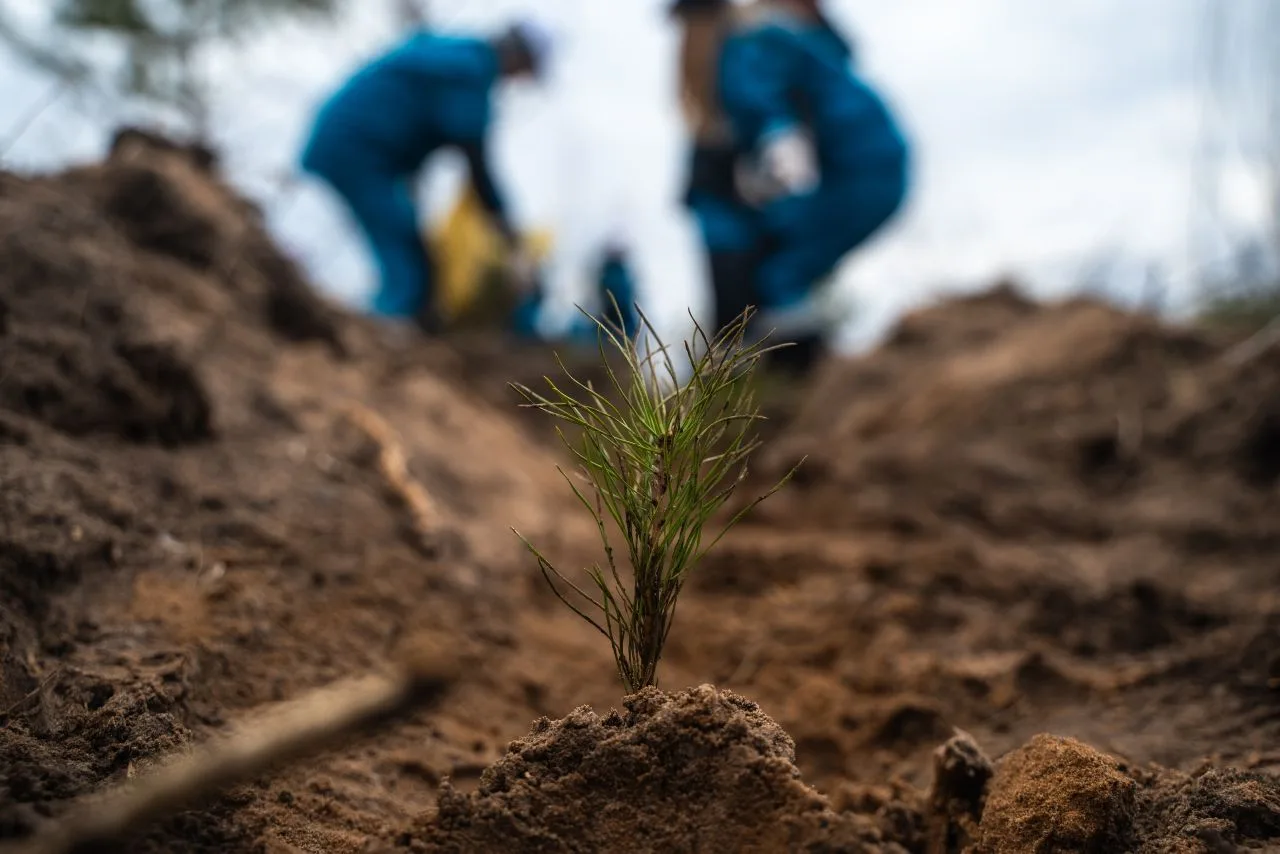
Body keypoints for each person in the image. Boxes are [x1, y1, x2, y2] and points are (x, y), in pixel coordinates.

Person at [299, 19, 555, 334]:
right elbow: (475, 158)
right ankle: (385, 334)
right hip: (357, 150)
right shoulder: (470, 70)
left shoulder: (454, 54)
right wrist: (509, 234)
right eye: (523, 71)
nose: (516, 81)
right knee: (405, 257)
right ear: (518, 55)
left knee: (409, 247)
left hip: (354, 146)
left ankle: (392, 330)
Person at [718, 0, 911, 371]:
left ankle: (797, 373)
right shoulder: (814, 46)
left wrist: (775, 135)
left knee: (782, 273)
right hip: (872, 166)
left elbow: (759, 89)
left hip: (860, 169)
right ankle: (799, 368)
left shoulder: (764, 37)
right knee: (785, 256)